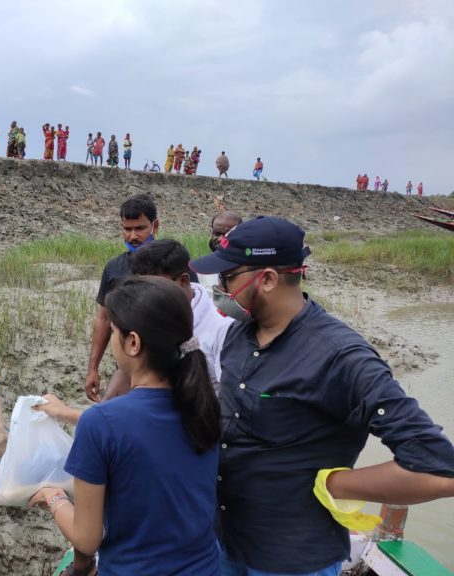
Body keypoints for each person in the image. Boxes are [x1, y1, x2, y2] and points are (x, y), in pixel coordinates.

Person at [188, 216, 454, 576]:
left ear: (266, 279)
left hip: (292, 558)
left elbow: (439, 468)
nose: (219, 288)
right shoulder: (238, 335)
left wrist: (335, 483)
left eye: (228, 277)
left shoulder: (341, 357)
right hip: (227, 540)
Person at [30, 276, 221, 576]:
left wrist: (52, 496)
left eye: (114, 330)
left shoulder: (101, 424)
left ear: (133, 343)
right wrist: (67, 413)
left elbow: (87, 538)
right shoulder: (204, 406)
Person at [85, 194, 159, 402]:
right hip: (127, 367)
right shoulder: (114, 268)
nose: (133, 236)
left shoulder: (171, 264)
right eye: (127, 229)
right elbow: (104, 319)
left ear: (155, 226)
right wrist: (93, 369)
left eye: (140, 228)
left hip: (166, 369)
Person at [130, 239, 232, 385]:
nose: (147, 296)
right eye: (141, 287)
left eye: (156, 288)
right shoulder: (144, 318)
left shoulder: (222, 328)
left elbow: (227, 396)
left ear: (183, 281)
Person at [198, 211, 243, 292]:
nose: (221, 239)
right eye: (217, 233)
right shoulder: (198, 269)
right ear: (210, 233)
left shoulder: (249, 271)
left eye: (228, 235)